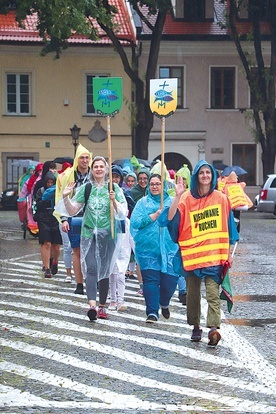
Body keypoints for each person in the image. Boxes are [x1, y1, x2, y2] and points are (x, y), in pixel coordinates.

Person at [162, 160, 239, 346]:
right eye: (202, 173)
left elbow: (229, 228)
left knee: (213, 293)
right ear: (197, 176)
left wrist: (228, 253)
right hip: (192, 257)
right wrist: (177, 197)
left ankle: (213, 328)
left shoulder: (221, 198)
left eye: (208, 173)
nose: (205, 176)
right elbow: (171, 219)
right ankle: (195, 326)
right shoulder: (186, 198)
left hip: (214, 256)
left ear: (212, 176)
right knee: (193, 294)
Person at [55, 156, 128, 320]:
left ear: (106, 169)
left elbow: (123, 213)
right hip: (89, 233)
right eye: (96, 167)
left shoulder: (114, 188)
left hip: (108, 235)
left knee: (104, 270)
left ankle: (102, 306)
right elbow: (73, 210)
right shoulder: (86, 188)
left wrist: (114, 200)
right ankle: (92, 306)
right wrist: (66, 197)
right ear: (92, 170)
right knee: (92, 268)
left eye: (102, 166)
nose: (99, 169)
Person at [130, 173, 180, 323]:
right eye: (152, 184)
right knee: (150, 281)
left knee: (169, 282)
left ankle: (164, 303)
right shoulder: (142, 203)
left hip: (170, 249)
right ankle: (152, 312)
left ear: (163, 185)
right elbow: (135, 222)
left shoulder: (172, 202)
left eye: (158, 184)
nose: (155, 186)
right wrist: (152, 216)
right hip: (148, 250)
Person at [54, 144, 92, 293]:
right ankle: (79, 283)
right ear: (77, 159)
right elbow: (61, 197)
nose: (84, 160)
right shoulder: (68, 176)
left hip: (91, 218)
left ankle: (90, 279)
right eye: (82, 157)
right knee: (76, 250)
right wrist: (64, 218)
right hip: (74, 217)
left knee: (90, 251)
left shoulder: (94, 175)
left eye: (87, 158)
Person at [35, 171, 62, 278]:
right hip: (43, 218)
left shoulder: (58, 191)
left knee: (56, 246)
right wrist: (46, 199)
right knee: (46, 243)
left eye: (52, 182)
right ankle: (47, 268)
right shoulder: (40, 191)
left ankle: (54, 261)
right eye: (48, 183)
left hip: (55, 218)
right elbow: (38, 204)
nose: (50, 184)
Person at [130, 167, 151, 296]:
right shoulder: (133, 192)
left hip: (151, 226)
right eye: (140, 179)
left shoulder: (153, 191)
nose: (143, 181)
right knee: (139, 256)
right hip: (138, 227)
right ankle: (142, 284)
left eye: (145, 179)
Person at [109, 217, 134, 311]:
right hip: (112, 251)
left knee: (120, 275)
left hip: (124, 252)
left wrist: (136, 252)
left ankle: (120, 300)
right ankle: (112, 299)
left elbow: (131, 238)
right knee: (112, 275)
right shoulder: (111, 219)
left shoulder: (127, 222)